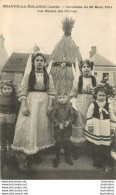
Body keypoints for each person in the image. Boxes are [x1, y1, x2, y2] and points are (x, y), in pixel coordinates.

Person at [12, 52, 55, 168]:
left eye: (41, 61)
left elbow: (51, 92)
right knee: (30, 127)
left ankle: (37, 153)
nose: (39, 62)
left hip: (43, 104)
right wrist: (24, 105)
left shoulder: (48, 76)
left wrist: (50, 106)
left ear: (44, 63)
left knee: (40, 126)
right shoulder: (28, 75)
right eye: (37, 60)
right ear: (33, 62)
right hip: (30, 102)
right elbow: (23, 91)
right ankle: (29, 154)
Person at [70, 59, 97, 159]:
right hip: (80, 102)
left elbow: (98, 92)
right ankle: (77, 149)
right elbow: (73, 93)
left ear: (91, 69)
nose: (86, 69)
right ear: (81, 69)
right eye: (84, 67)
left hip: (91, 104)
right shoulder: (78, 80)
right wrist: (74, 103)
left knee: (90, 124)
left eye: (88, 67)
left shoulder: (95, 79)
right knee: (79, 123)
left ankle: (90, 149)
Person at [85, 84, 116, 169]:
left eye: (103, 95)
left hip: (106, 127)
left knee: (105, 144)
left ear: (106, 96)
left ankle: (105, 159)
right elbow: (89, 115)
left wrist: (112, 127)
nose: (101, 97)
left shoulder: (109, 105)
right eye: (99, 95)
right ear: (95, 95)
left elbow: (113, 117)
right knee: (97, 144)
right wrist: (90, 125)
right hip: (96, 126)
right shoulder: (93, 104)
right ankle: (97, 159)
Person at [50, 89, 76, 167]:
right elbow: (52, 116)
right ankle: (57, 157)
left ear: (67, 97)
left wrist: (69, 122)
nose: (62, 99)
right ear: (57, 98)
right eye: (60, 97)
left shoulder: (70, 107)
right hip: (58, 129)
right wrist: (58, 124)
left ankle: (67, 157)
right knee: (58, 141)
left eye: (64, 97)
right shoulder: (56, 107)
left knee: (66, 141)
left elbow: (73, 116)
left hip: (67, 129)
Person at [0, 80, 19, 165]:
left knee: (10, 132)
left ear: (12, 89)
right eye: (5, 89)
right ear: (1, 90)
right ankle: (3, 147)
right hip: (2, 117)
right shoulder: (0, 98)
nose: (7, 91)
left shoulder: (14, 98)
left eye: (9, 89)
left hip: (11, 117)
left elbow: (17, 109)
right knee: (2, 132)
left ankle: (11, 147)